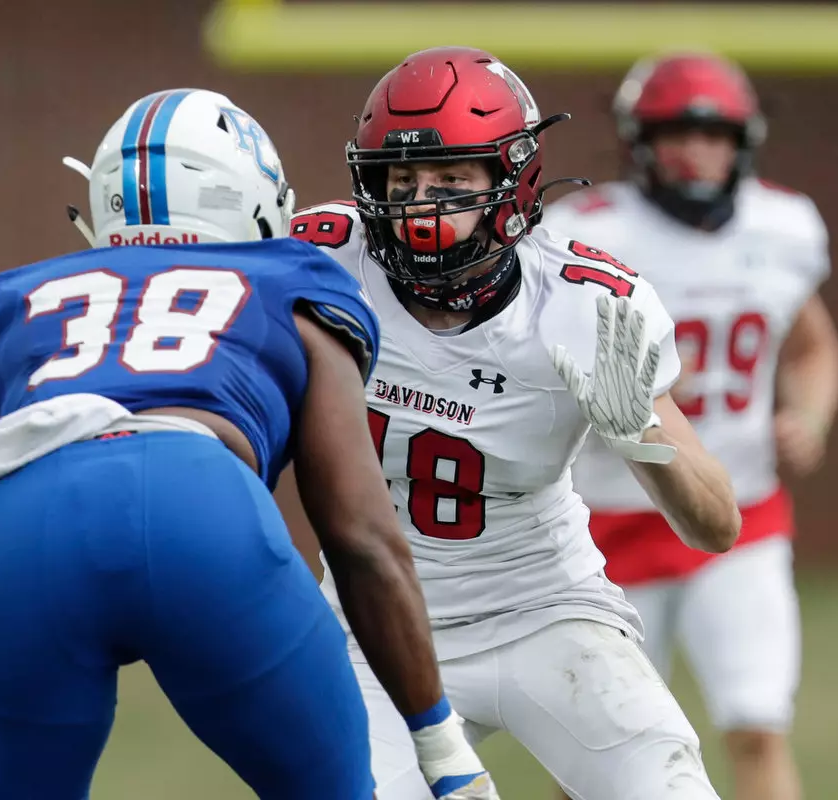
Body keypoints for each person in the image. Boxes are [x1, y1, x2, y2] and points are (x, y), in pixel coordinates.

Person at [0, 88, 499, 800]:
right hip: (199, 510)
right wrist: (438, 739)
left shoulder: (26, 293)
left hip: (24, 529)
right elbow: (361, 535)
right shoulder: (288, 280)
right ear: (258, 199)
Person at [284, 45, 744, 800]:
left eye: (450, 180)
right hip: (372, 629)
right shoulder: (318, 260)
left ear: (512, 180)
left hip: (545, 609)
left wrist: (639, 435)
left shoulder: (584, 302)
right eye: (401, 181)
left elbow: (715, 525)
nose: (420, 206)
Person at [544, 52, 838, 800]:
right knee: (597, 757)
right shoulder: (587, 233)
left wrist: (807, 414)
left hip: (739, 512)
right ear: (638, 141)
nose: (699, 152)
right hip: (606, 521)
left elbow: (812, 346)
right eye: (679, 132)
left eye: (716, 134)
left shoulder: (783, 225)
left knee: (755, 722)